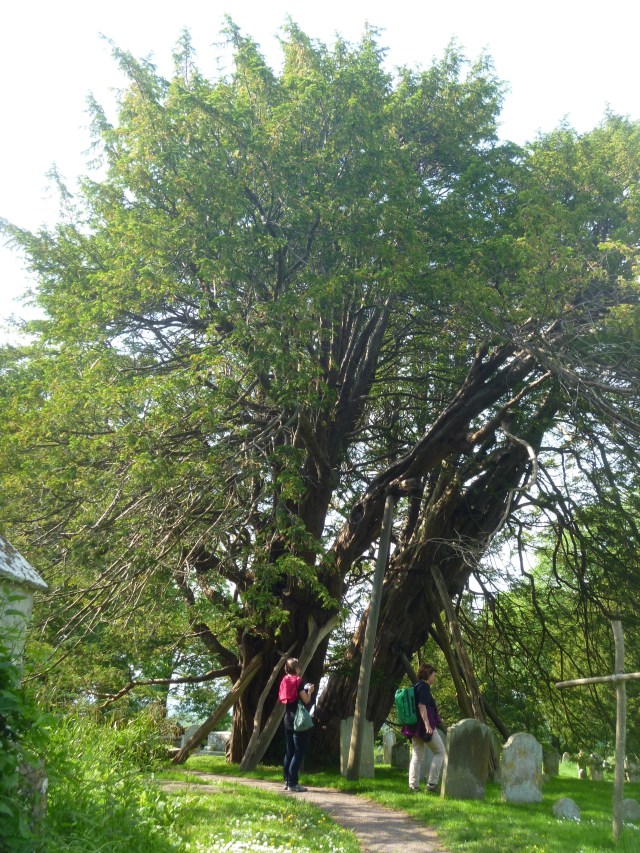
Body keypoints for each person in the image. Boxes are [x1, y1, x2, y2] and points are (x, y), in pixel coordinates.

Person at [402, 663, 447, 793]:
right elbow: (422, 706)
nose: (435, 677)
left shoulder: (416, 687)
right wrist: (428, 725)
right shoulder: (424, 687)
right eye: (434, 675)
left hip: (414, 726)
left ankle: (413, 786)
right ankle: (432, 784)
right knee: (440, 752)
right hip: (424, 727)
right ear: (428, 674)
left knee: (417, 756)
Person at [278, 657, 315, 793]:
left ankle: (287, 780)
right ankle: (293, 783)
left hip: (287, 717)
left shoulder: (284, 680)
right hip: (298, 719)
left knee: (290, 750)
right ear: (296, 668)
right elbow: (305, 700)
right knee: (299, 751)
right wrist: (309, 691)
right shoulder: (298, 681)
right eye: (299, 667)